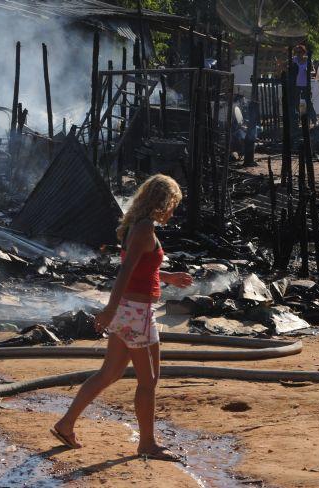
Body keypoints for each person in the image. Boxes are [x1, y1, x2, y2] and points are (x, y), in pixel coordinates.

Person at [51, 174, 192, 461]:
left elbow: (139, 268)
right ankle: (148, 444)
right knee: (149, 381)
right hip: (136, 312)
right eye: (173, 205)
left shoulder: (137, 227)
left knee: (109, 373)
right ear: (163, 202)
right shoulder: (143, 229)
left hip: (130, 309)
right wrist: (109, 310)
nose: (172, 211)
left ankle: (65, 424)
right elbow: (124, 274)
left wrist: (168, 277)